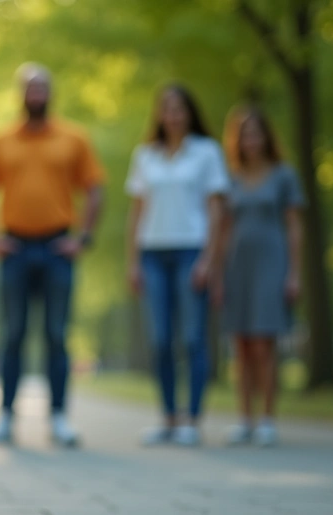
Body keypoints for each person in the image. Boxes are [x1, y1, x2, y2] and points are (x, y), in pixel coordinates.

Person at [0, 64, 106, 448]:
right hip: (14, 247)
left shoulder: (74, 138)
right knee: (13, 334)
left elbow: (95, 188)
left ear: (51, 93)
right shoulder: (0, 141)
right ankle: (5, 418)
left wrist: (83, 238)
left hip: (56, 247)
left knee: (56, 334)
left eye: (42, 88)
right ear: (21, 94)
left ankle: (60, 418)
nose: (36, 94)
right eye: (30, 89)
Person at [125, 84, 230, 447]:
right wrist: (133, 262)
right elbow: (137, 212)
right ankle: (168, 418)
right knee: (160, 340)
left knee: (192, 338)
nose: (172, 115)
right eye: (166, 109)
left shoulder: (207, 152)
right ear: (159, 114)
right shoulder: (145, 155)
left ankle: (192, 419)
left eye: (179, 108)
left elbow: (217, 211)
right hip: (153, 254)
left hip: (191, 251)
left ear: (190, 113)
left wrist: (210, 260)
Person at [213, 107, 305, 447]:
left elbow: (294, 226)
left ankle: (267, 419)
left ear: (267, 136)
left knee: (265, 344)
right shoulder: (229, 179)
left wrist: (294, 273)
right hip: (238, 265)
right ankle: (244, 420)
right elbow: (222, 230)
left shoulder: (284, 175)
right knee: (241, 345)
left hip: (271, 264)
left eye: (256, 132)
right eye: (244, 134)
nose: (251, 140)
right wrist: (217, 274)